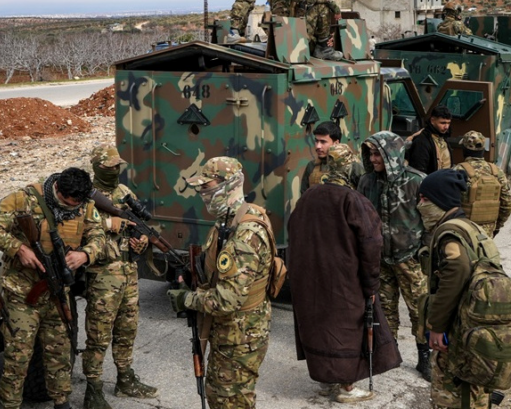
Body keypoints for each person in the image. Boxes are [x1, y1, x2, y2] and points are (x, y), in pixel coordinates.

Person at [0, 168, 110, 409]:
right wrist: (18, 248)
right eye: (66, 203)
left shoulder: (85, 205)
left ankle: (62, 403)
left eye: (76, 205)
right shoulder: (24, 198)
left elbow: (99, 237)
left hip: (57, 293)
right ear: (57, 189)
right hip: (22, 294)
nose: (72, 209)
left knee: (60, 355)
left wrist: (85, 254)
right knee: (18, 358)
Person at [288, 143, 401, 402]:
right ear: (350, 168)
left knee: (321, 327)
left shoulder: (309, 196)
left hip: (311, 277)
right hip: (344, 281)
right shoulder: (353, 200)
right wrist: (371, 285)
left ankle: (328, 381)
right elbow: (371, 244)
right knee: (346, 329)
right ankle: (347, 387)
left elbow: (294, 231)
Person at [167, 157, 275, 409]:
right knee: (218, 394)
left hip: (240, 336)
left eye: (207, 187)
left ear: (229, 185)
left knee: (231, 401)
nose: (203, 194)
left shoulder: (245, 233)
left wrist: (186, 299)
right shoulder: (228, 221)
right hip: (229, 332)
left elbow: (227, 300)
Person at [81, 146, 157, 409]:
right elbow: (73, 228)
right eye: (110, 167)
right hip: (102, 275)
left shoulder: (125, 193)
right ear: (98, 167)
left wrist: (143, 240)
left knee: (127, 330)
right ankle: (93, 389)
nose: (115, 171)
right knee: (98, 335)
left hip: (128, 273)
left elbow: (136, 224)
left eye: (118, 166)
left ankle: (125, 379)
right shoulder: (84, 195)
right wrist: (107, 225)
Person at [356, 131, 431, 380]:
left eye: (378, 153)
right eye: (371, 154)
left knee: (420, 309)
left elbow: (432, 220)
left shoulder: (417, 181)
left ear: (393, 154)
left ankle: (425, 357)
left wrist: (425, 251)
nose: (374, 159)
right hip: (380, 259)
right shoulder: (367, 182)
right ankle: (390, 353)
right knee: (385, 309)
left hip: (410, 258)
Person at [416, 169, 489, 409]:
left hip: (458, 328)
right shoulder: (468, 227)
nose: (420, 205)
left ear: (440, 201)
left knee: (451, 393)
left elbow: (455, 275)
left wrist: (436, 326)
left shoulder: (450, 234)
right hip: (474, 324)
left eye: (425, 199)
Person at [453, 131, 511, 235]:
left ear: (464, 149)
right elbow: (508, 203)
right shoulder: (496, 171)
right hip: (488, 230)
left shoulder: (458, 170)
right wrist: (497, 226)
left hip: (463, 228)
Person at [301, 121, 365, 194]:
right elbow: (304, 196)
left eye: (323, 142)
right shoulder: (312, 166)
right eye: (316, 141)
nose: (318, 146)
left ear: (336, 143)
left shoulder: (353, 166)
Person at [405, 105, 453, 175]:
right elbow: (418, 171)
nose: (446, 127)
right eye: (443, 123)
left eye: (448, 123)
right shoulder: (422, 141)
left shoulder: (442, 137)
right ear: (432, 120)